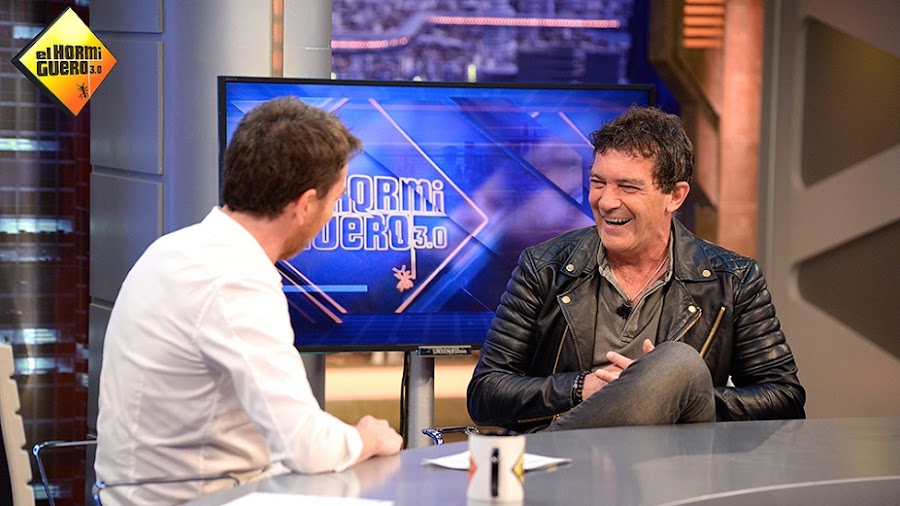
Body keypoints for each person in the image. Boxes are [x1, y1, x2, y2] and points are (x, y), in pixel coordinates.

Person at [95, 97, 403, 505]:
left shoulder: (176, 248)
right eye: (336, 200)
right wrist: (367, 437)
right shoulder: (234, 279)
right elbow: (306, 446)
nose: (333, 214)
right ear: (305, 205)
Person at [467, 106, 805, 433]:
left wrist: (675, 395)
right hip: (566, 455)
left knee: (677, 365)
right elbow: (486, 394)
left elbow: (783, 398)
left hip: (674, 462)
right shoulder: (544, 268)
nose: (606, 201)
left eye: (628, 187)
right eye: (598, 182)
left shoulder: (733, 280)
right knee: (676, 366)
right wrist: (582, 388)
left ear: (675, 196)